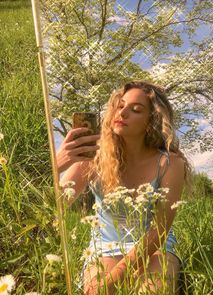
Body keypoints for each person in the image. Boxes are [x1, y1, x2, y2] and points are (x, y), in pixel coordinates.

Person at [57, 80, 190, 294]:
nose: (123, 112)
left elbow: (161, 229)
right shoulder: (93, 158)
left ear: (151, 120)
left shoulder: (169, 163)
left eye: (136, 109)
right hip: (106, 246)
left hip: (155, 247)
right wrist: (57, 163)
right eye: (120, 106)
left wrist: (116, 278)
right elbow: (55, 205)